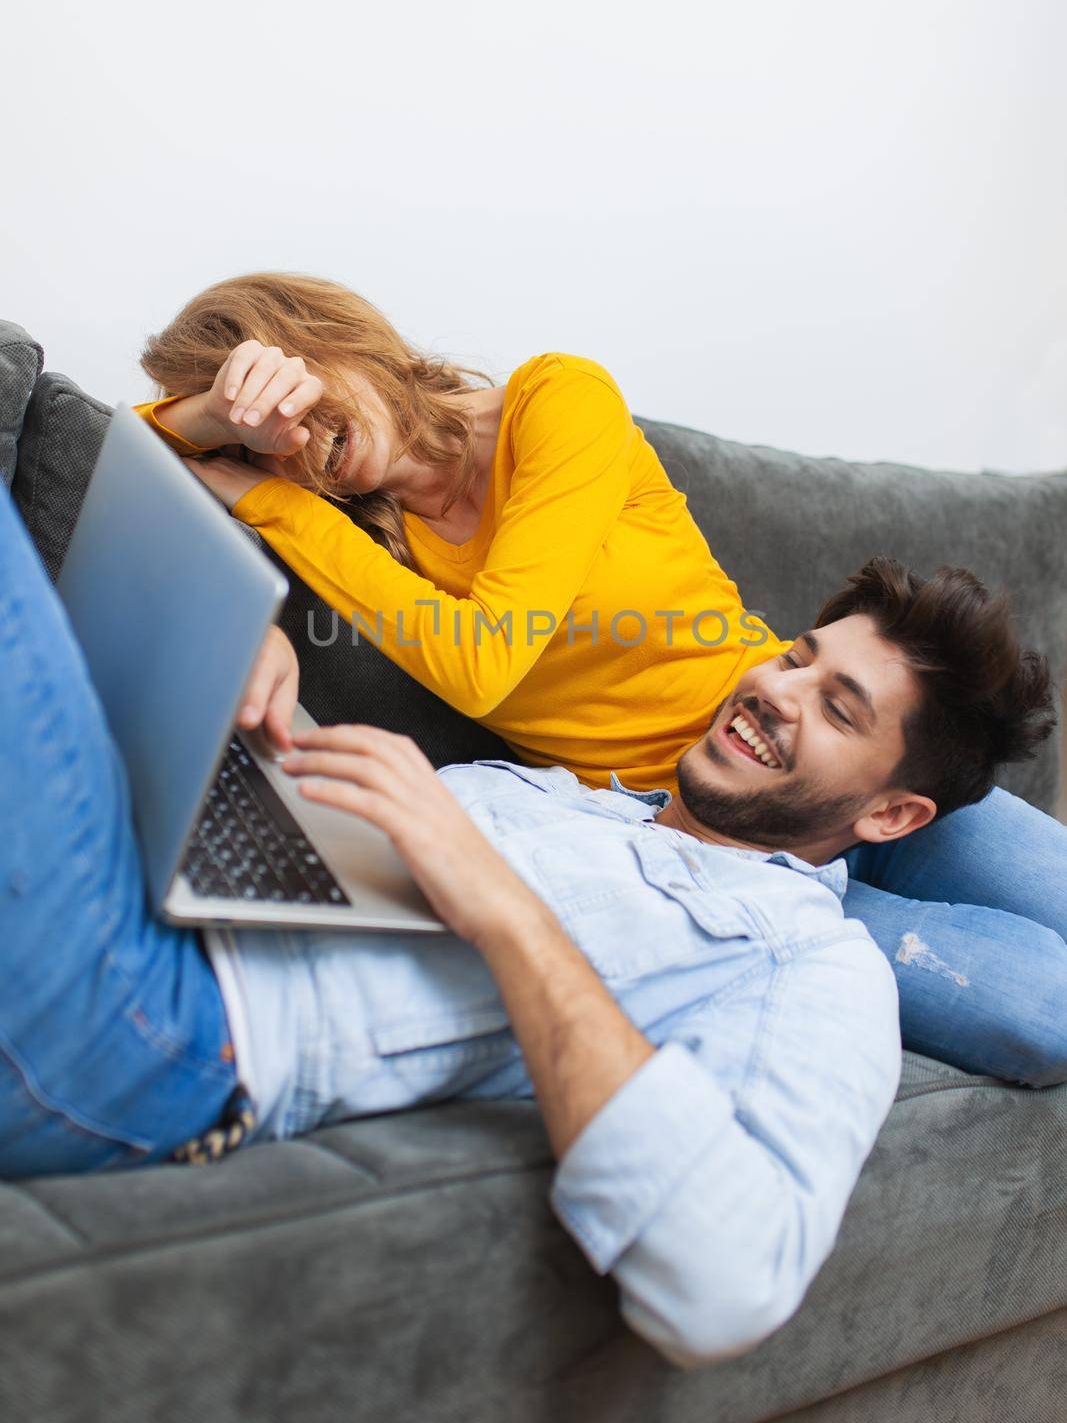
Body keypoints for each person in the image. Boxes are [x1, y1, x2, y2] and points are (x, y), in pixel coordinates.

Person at [0, 471, 1057, 1366]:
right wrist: (247, 700)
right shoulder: (564, 795)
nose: (779, 692)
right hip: (136, 894)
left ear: (889, 812)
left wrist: (503, 909)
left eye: (839, 709)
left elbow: (729, 1284)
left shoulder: (809, 965)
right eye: (795, 658)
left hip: (161, 1027)